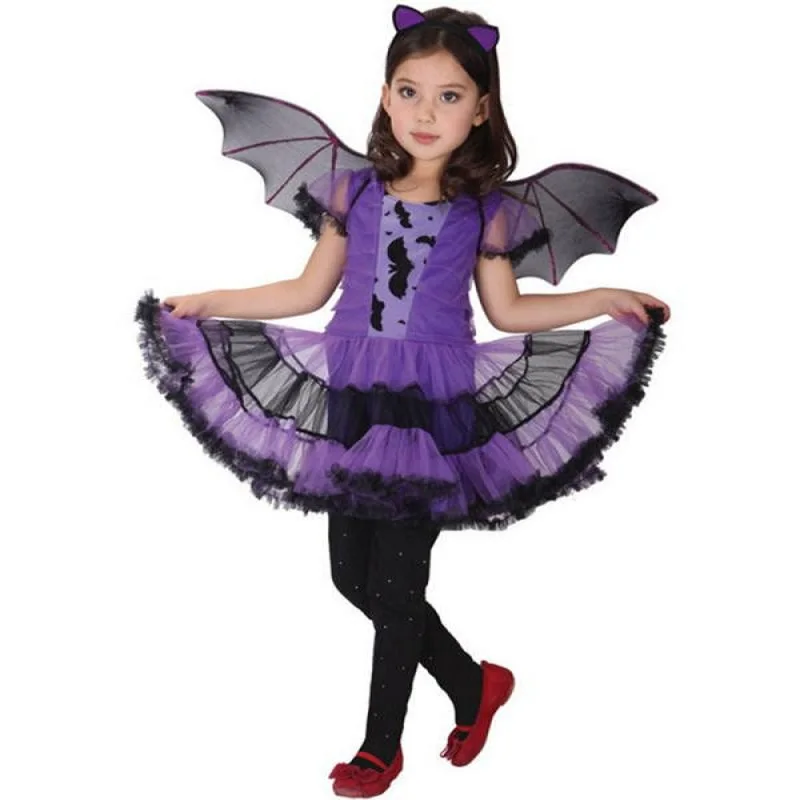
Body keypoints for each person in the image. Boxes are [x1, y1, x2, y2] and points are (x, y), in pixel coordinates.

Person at [135, 5, 670, 796]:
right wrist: (210, 301)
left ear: (481, 109)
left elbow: (509, 312)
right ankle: (474, 683)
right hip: (351, 394)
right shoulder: (352, 191)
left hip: (431, 405)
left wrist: (602, 298)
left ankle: (379, 748)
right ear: (385, 96)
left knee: (396, 585)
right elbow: (307, 291)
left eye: (450, 96)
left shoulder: (486, 210)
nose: (426, 112)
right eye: (411, 92)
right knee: (351, 577)